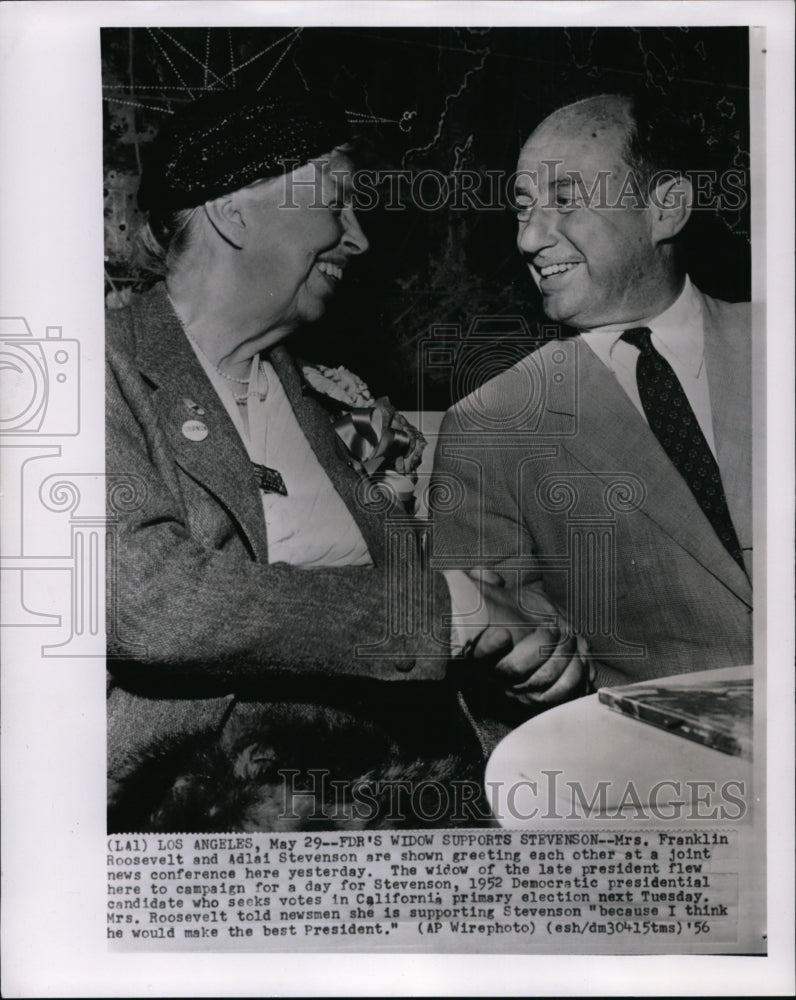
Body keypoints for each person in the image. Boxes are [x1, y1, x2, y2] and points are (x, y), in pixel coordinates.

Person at [105, 88, 586, 831]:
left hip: (394, 771)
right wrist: (453, 613)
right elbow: (149, 604)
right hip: (207, 800)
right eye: (336, 203)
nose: (356, 240)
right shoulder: (94, 366)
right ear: (233, 210)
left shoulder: (305, 390)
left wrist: (511, 636)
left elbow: (381, 577)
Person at [432, 92, 752, 738]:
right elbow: (498, 696)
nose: (528, 238)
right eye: (523, 210)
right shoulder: (488, 428)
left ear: (666, 207)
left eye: (564, 201)